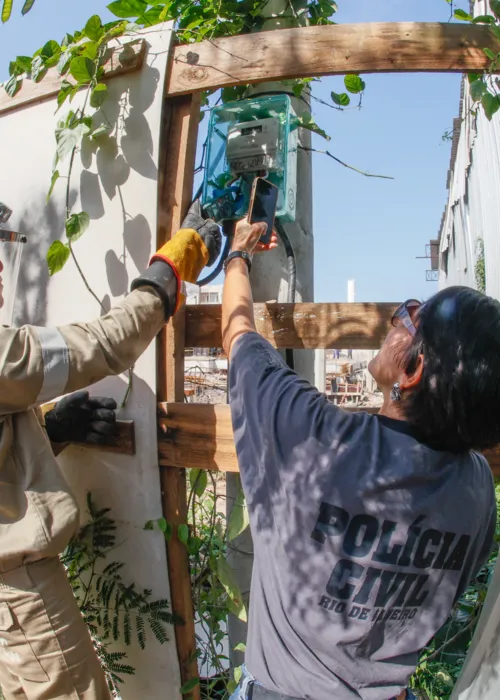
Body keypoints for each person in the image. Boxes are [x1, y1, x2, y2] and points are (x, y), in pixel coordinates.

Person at [222, 218, 498, 700]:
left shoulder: (311, 436)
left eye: (409, 316)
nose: (394, 319)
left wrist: (238, 254)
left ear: (411, 370)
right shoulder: (477, 492)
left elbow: (238, 332)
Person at [0, 203, 220, 700]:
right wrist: (166, 272)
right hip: (20, 588)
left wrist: (51, 429)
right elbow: (100, 346)